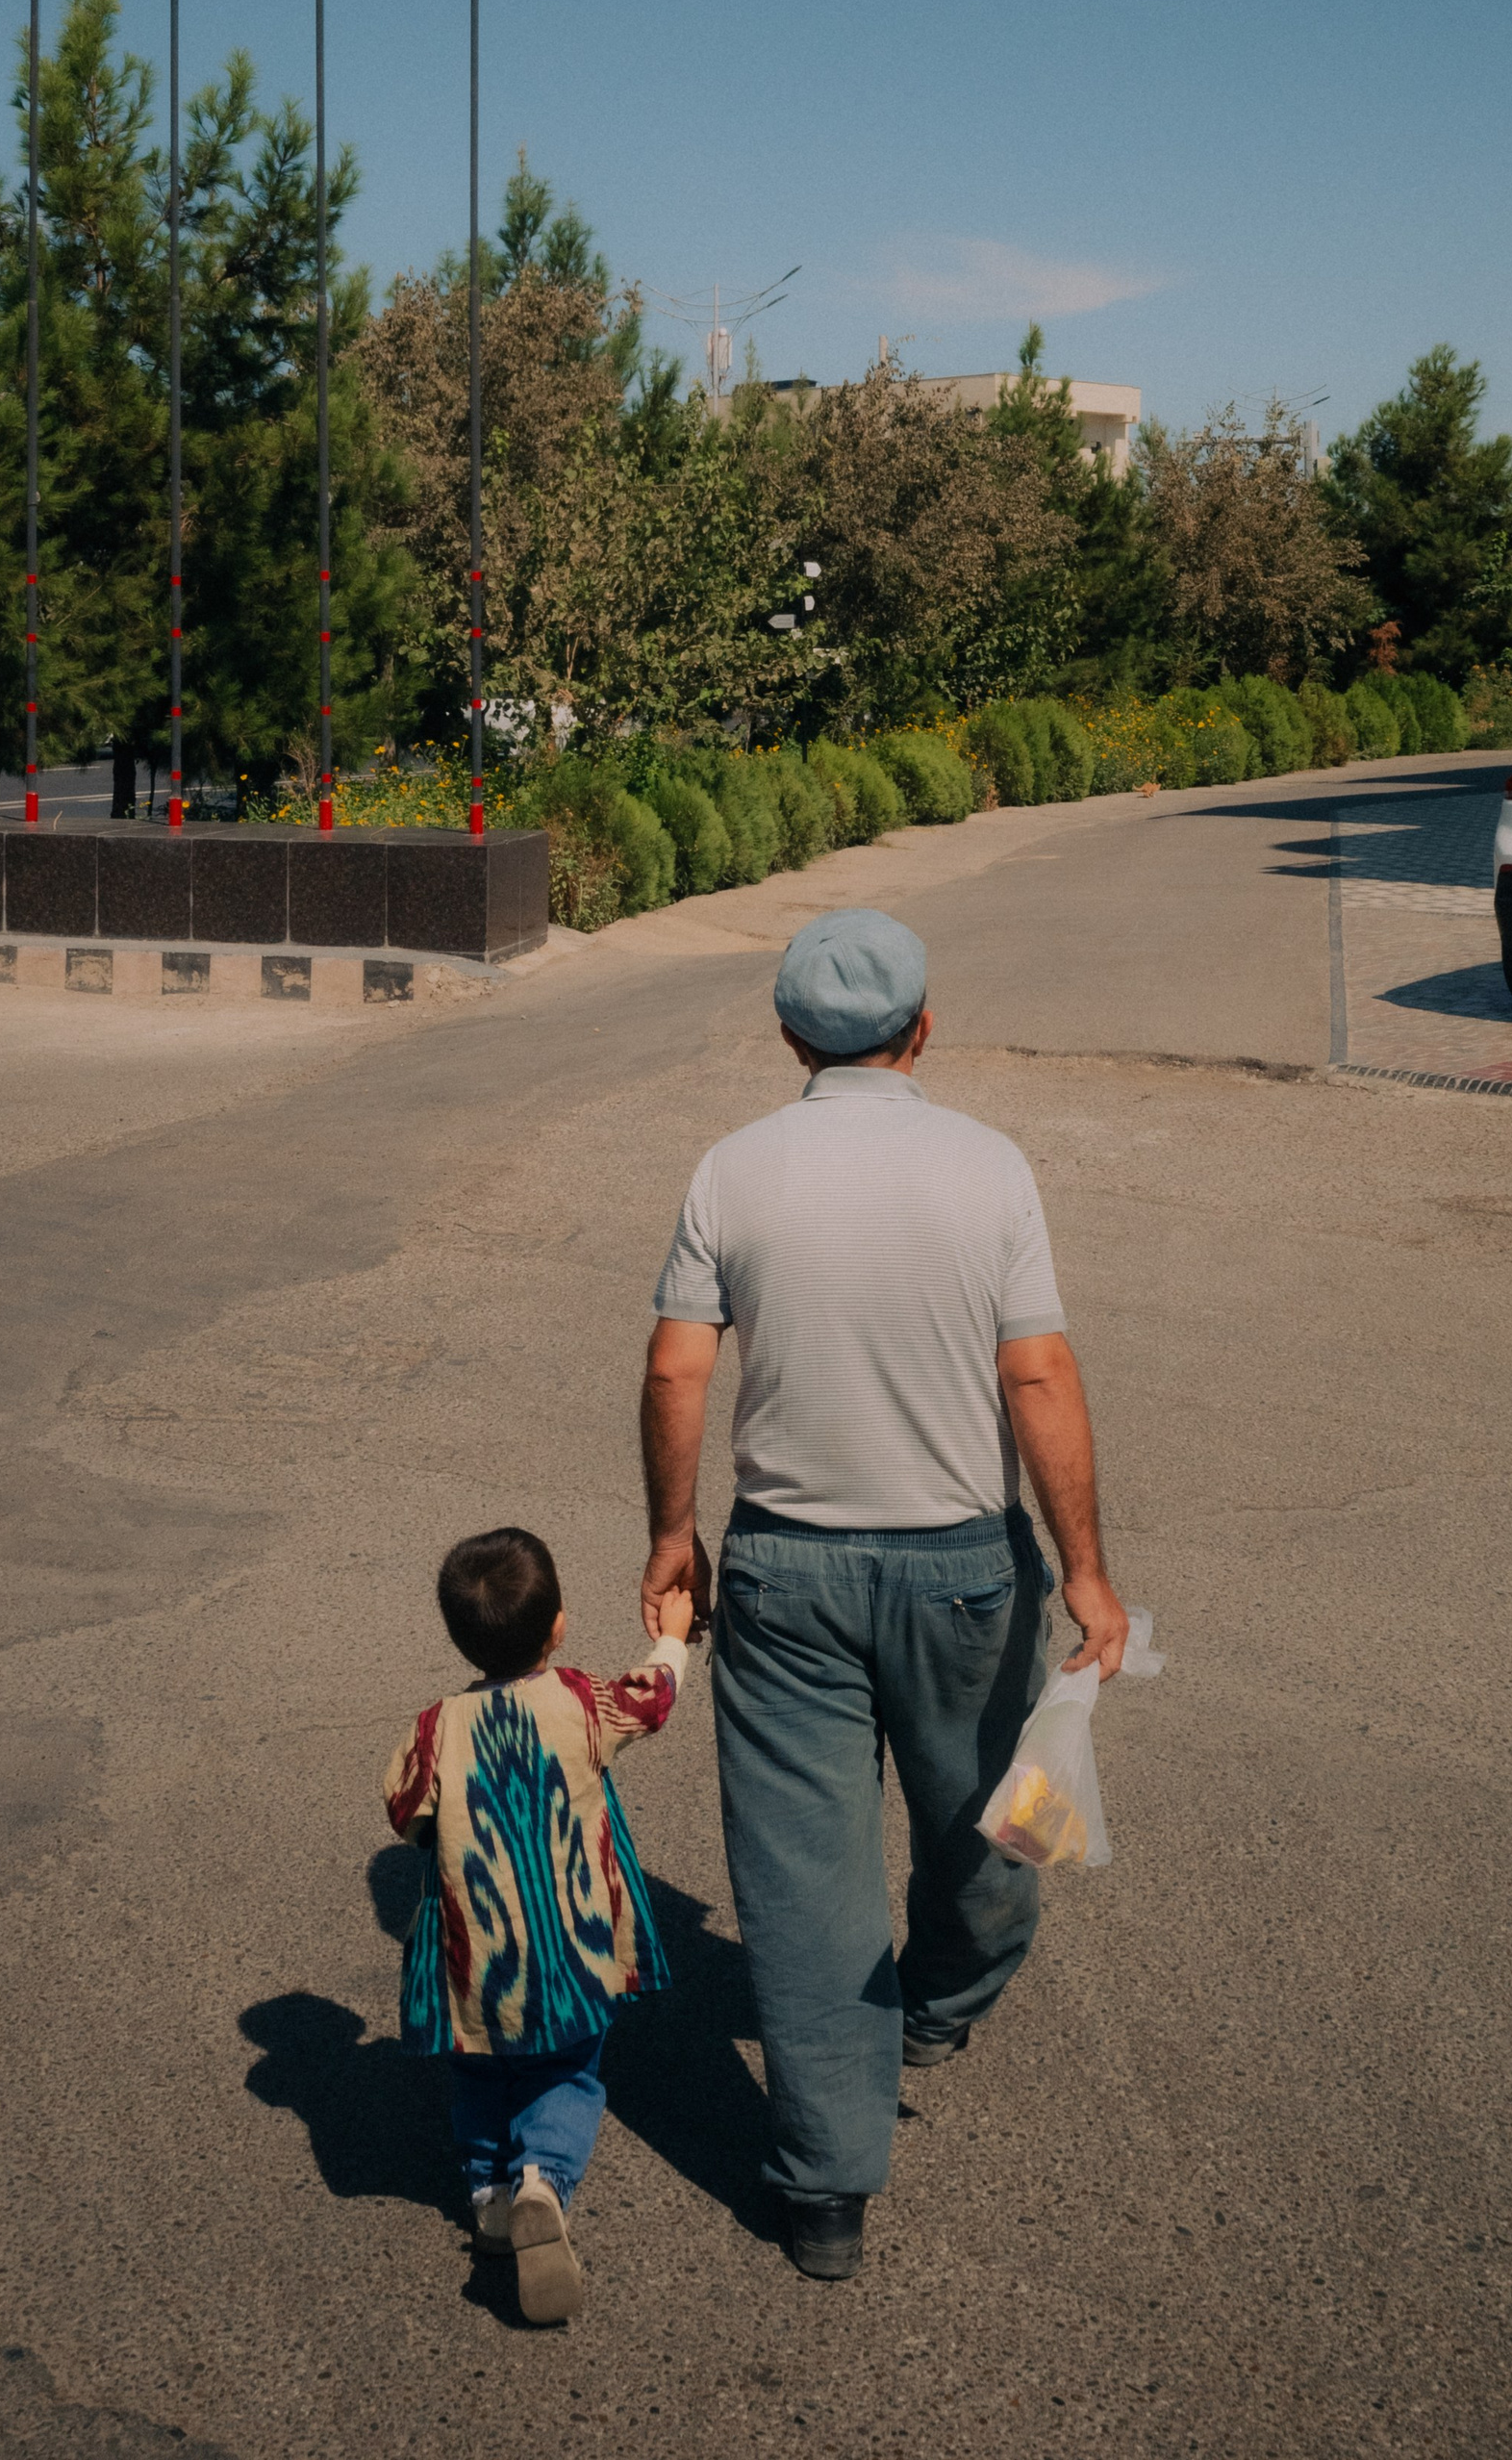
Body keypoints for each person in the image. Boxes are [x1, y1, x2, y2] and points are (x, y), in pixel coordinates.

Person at [641, 906, 1129, 2281]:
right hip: (966, 1569)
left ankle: (825, 2186)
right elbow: (1036, 1374)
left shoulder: (732, 1170)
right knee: (989, 1829)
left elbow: (679, 1369)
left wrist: (674, 1535)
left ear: (789, 1033)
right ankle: (941, 2002)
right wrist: (1086, 1568)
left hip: (784, 1568)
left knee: (804, 1883)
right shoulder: (990, 1168)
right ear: (924, 1030)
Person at [383, 1526, 693, 2323]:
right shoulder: (583, 1702)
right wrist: (672, 1636)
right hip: (574, 1953)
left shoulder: (435, 1727)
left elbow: (403, 1810)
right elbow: (652, 1697)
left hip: (477, 1964)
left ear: (458, 1637)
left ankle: (489, 2193)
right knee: (567, 2070)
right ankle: (542, 2181)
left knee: (481, 2071)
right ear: (558, 1625)